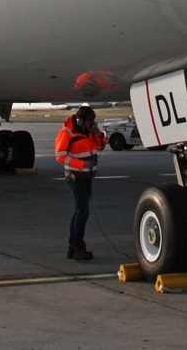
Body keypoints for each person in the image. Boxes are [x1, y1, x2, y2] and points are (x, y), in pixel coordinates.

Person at [54, 105, 106, 261]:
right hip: (75, 177)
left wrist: (99, 135)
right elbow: (60, 155)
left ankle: (73, 246)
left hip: (87, 177)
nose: (93, 123)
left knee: (80, 211)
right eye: (90, 121)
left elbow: (100, 147)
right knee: (83, 211)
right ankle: (77, 246)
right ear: (81, 120)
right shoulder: (67, 133)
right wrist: (82, 165)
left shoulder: (89, 132)